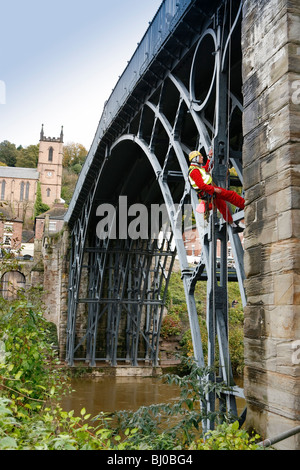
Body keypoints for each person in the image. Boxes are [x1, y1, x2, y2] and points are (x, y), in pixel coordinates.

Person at [188, 149, 244, 233]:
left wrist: (210, 157)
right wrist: (214, 189)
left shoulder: (197, 169)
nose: (202, 157)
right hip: (210, 191)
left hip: (208, 193)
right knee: (231, 195)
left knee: (222, 206)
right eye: (200, 156)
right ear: (195, 158)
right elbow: (201, 185)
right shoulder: (194, 171)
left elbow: (206, 168)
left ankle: (233, 226)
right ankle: (245, 204)